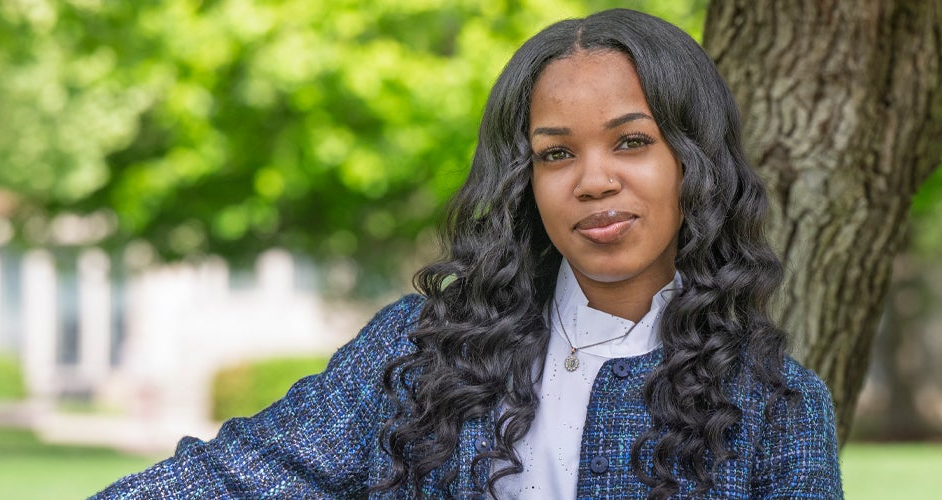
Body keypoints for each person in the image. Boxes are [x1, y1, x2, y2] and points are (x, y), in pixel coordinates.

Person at [94, 8, 842, 499]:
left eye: (632, 142)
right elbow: (238, 477)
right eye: (555, 155)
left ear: (694, 162)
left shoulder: (775, 407)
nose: (592, 181)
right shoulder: (423, 350)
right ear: (525, 181)